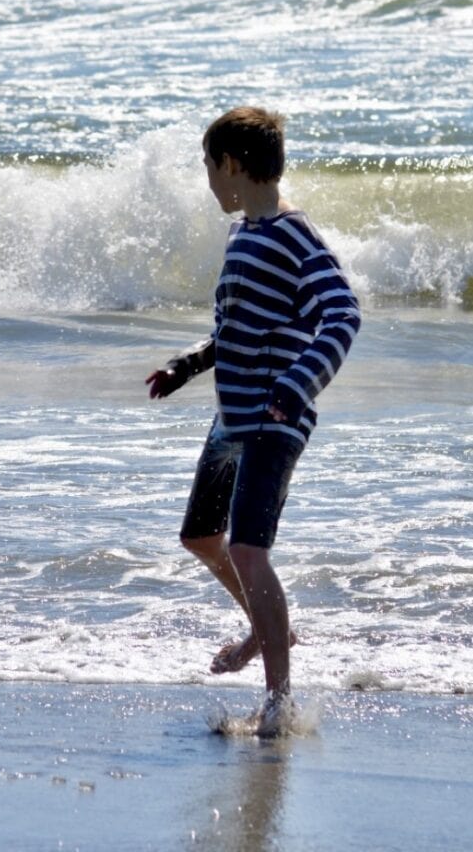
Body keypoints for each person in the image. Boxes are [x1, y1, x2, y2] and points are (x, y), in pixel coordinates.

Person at [146, 107, 361, 736]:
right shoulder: (243, 235)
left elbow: (343, 314)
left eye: (209, 168)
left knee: (246, 546)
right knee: (202, 539)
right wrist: (188, 365)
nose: (209, 181)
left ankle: (278, 700)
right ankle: (271, 629)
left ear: (233, 165)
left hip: (275, 418)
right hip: (232, 419)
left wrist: (298, 385)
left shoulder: (296, 236)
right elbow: (230, 330)